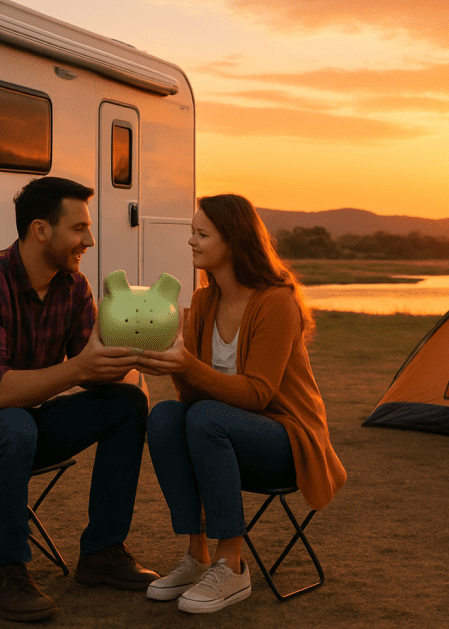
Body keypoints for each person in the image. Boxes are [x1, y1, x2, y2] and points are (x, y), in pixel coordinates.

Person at [0, 177, 159, 623]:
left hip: (19, 429)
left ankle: (102, 551)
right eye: (78, 228)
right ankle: (7, 572)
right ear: (41, 229)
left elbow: (93, 369)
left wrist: (137, 356)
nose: (90, 239)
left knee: (126, 404)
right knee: (11, 421)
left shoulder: (73, 287)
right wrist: (80, 368)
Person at [135, 194, 346, 614]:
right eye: (192, 233)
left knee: (206, 418)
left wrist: (188, 365)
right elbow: (192, 397)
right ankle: (198, 556)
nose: (191, 242)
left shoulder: (276, 301)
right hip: (222, 436)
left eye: (202, 234)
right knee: (164, 416)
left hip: (287, 442)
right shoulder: (204, 302)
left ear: (233, 240)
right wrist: (172, 363)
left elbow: (257, 395)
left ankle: (232, 563)